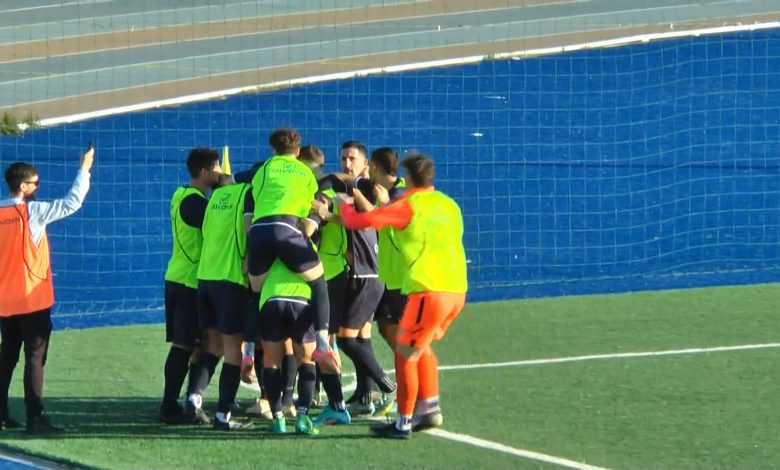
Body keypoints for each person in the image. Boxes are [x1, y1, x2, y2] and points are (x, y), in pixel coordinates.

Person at [336, 153, 468, 439]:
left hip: (428, 290)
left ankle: (403, 422)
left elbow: (360, 221)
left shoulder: (408, 206)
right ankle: (429, 407)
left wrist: (343, 204)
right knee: (421, 347)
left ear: (408, 178)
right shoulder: (449, 204)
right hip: (456, 290)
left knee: (405, 352)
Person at [0, 145, 94, 433]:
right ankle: (35, 417)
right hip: (32, 300)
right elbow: (71, 202)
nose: (38, 186)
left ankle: (1, 414)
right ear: (23, 186)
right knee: (35, 357)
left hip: (5, 302)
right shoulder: (32, 212)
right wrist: (84, 169)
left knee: (7, 357)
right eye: (35, 182)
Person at [247, 129, 338, 373]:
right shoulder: (306, 173)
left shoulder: (265, 168)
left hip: (258, 231)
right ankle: (322, 344)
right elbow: (311, 212)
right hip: (287, 228)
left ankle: (248, 353)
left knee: (254, 293)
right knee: (318, 281)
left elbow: (251, 187)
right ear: (297, 151)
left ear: (274, 150)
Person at [159, 148, 223, 424]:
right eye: (217, 168)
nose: (220, 173)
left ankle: (189, 402)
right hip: (189, 282)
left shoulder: (180, 194)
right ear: (204, 171)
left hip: (179, 277)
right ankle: (169, 406)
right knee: (185, 345)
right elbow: (218, 228)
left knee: (200, 344)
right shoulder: (196, 204)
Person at [195, 179, 254, 430]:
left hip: (205, 278)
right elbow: (251, 231)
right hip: (231, 280)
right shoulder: (248, 194)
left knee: (213, 345)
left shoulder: (216, 196)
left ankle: (194, 397)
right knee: (233, 350)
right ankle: (223, 416)